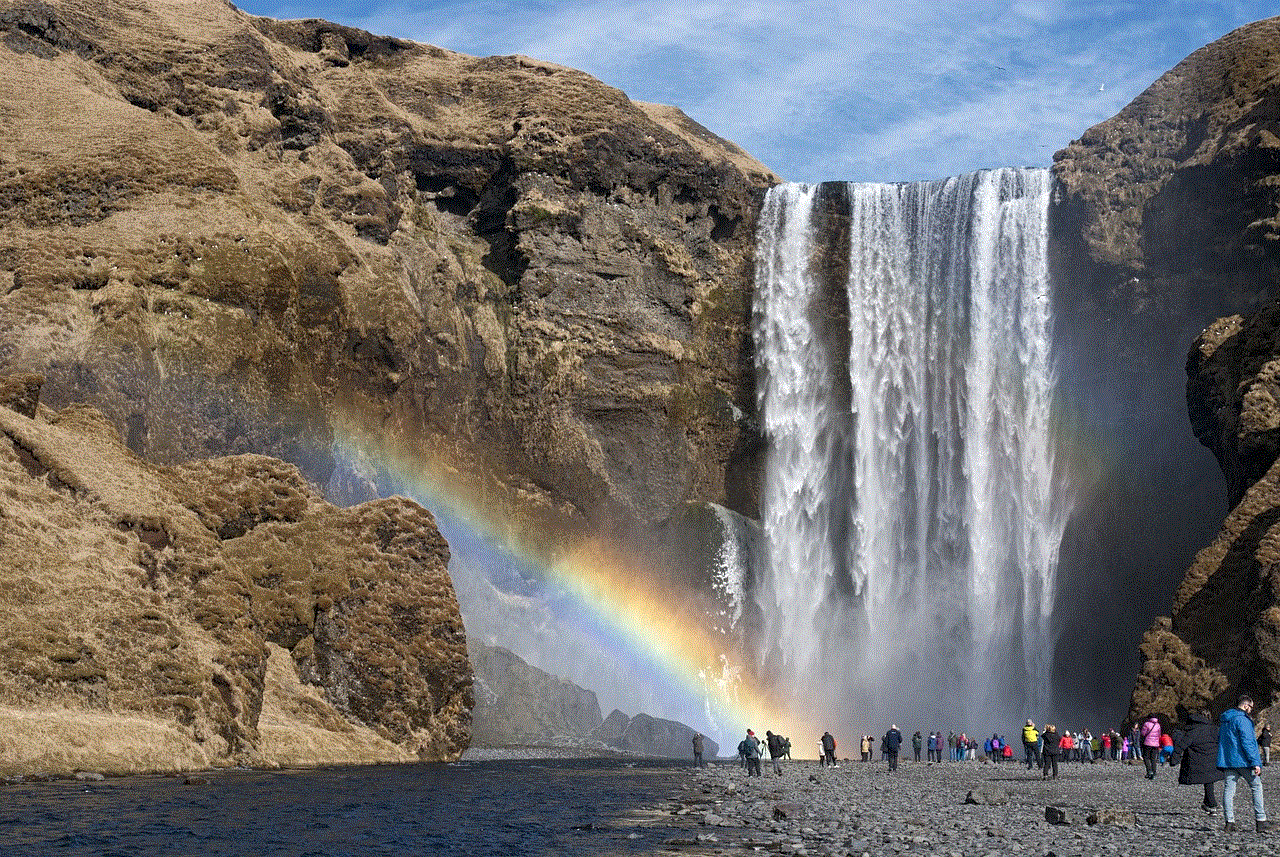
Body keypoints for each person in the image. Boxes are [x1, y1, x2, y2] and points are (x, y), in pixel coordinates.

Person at [1218, 693, 1269, 833]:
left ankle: (1229, 822)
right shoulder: (1243, 720)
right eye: (1251, 707)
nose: (1251, 710)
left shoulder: (1225, 719)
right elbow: (1248, 743)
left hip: (1228, 761)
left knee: (1229, 791)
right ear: (1246, 705)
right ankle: (1261, 821)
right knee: (1256, 786)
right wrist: (1255, 762)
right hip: (1244, 761)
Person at [1174, 708, 1222, 815]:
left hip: (1198, 760)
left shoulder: (1192, 730)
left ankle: (1212, 804)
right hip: (1213, 760)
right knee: (1209, 781)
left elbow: (1181, 745)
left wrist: (1174, 760)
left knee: (1208, 780)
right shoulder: (1215, 729)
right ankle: (1209, 803)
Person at [1140, 714, 1163, 779]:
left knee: (1146, 757)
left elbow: (1143, 733)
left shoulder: (1147, 724)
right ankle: (1154, 772)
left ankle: (1149, 771)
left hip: (1147, 743)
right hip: (1155, 744)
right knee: (1153, 758)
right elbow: (1159, 734)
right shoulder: (1158, 725)